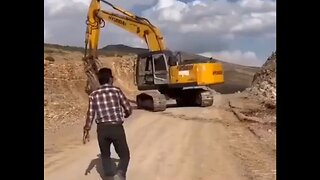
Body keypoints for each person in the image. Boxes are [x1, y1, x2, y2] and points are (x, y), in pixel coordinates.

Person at [83, 68, 133, 180]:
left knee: (105, 155)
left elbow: (90, 113)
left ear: (99, 80)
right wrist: (126, 114)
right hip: (116, 127)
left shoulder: (93, 94)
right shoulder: (116, 91)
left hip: (102, 129)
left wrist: (87, 128)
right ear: (110, 79)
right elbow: (128, 108)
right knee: (125, 155)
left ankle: (109, 176)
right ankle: (120, 174)